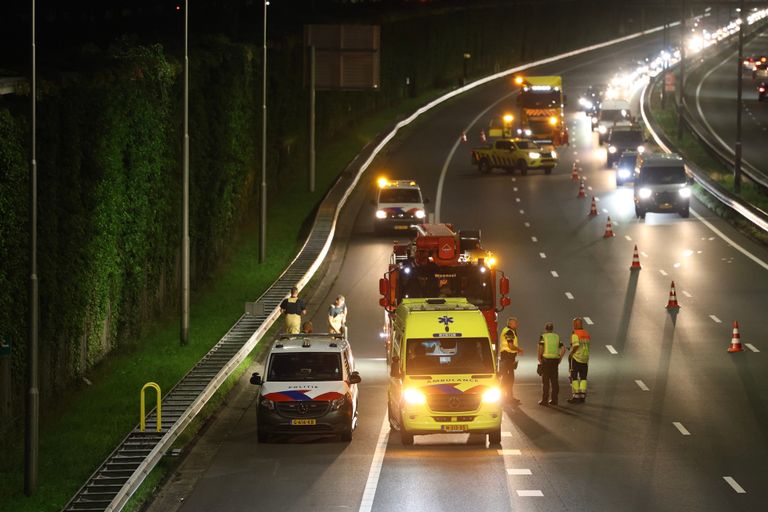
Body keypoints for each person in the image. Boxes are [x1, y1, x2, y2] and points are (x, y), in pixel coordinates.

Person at [537, 322, 565, 406]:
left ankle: (545, 400)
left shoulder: (543, 336)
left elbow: (541, 347)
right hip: (555, 361)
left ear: (545, 329)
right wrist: (560, 358)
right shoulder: (557, 337)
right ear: (552, 329)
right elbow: (563, 349)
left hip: (546, 361)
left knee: (545, 381)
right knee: (554, 381)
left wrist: (539, 357)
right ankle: (554, 400)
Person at [498, 317, 524, 404]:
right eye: (515, 323)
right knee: (509, 378)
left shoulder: (509, 331)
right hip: (507, 357)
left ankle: (505, 397)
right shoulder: (509, 331)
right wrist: (519, 349)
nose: (517, 325)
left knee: (506, 378)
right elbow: (510, 346)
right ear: (510, 324)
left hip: (508, 358)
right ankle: (507, 398)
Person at [568, 317, 591, 404]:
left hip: (577, 358)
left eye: (574, 323)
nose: (573, 325)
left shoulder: (575, 334)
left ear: (576, 324)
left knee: (574, 377)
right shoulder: (586, 333)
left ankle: (576, 396)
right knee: (583, 378)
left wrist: (571, 353)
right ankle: (582, 396)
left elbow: (576, 345)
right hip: (585, 358)